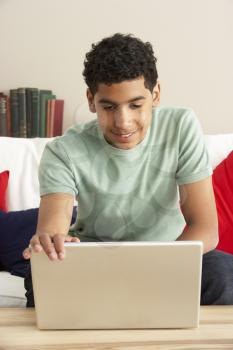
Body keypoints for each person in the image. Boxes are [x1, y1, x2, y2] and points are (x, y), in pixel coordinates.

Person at [23, 33, 233, 306]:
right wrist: (53, 243)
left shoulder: (181, 126)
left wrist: (148, 270)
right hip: (96, 259)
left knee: (225, 273)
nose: (123, 122)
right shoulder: (63, 150)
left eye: (136, 105)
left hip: (171, 255)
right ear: (90, 99)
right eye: (108, 107)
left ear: (155, 94)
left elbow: (205, 228)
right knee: (40, 274)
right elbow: (54, 227)